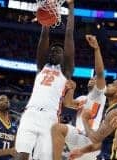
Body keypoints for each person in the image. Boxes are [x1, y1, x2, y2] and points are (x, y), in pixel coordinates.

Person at [15, 0, 75, 159]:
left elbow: (69, 35)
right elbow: (44, 38)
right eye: (53, 49)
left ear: (64, 57)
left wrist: (71, 7)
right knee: (22, 155)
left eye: (58, 50)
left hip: (50, 117)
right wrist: (47, 19)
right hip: (30, 113)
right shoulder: (42, 67)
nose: (54, 51)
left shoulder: (66, 71)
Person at [51, 35, 106, 160]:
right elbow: (68, 103)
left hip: (90, 138)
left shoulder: (100, 95)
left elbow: (100, 73)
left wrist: (96, 49)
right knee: (56, 129)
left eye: (95, 79)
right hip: (78, 139)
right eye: (91, 78)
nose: (93, 79)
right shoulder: (82, 98)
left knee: (58, 128)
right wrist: (71, 89)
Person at [70, 79, 117, 160]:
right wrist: (81, 151)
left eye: (113, 85)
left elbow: (95, 139)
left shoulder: (116, 112)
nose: (109, 84)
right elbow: (103, 142)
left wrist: (85, 120)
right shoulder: (114, 109)